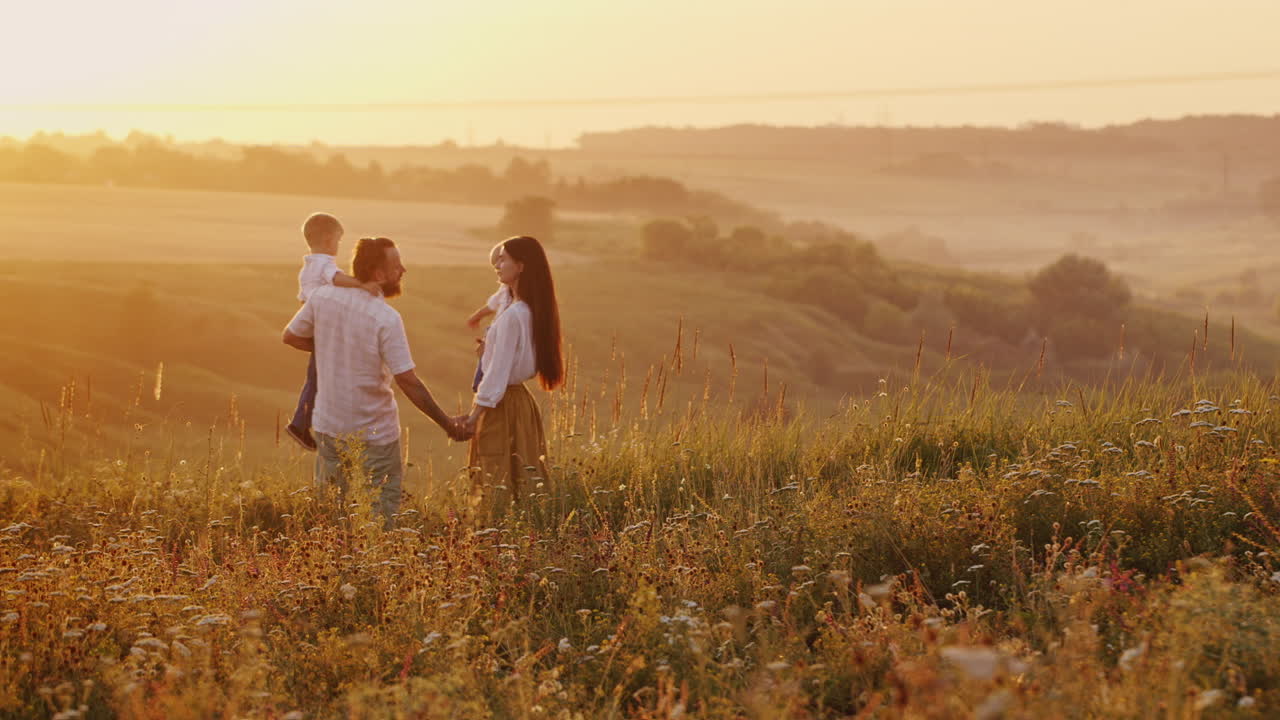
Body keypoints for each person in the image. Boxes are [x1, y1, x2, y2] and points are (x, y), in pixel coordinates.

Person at [283, 236, 469, 527]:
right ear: (379, 274)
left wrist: (332, 347)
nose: (403, 270)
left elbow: (291, 336)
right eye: (396, 266)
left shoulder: (322, 297)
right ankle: (375, 555)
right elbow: (408, 381)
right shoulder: (386, 318)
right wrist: (448, 424)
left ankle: (336, 554)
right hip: (375, 433)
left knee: (331, 514)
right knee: (380, 515)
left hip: (329, 426)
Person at [458, 236, 564, 511]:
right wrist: (488, 350)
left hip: (502, 406)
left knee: (496, 477)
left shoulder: (514, 315)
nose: (497, 264)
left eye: (503, 259)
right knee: (523, 479)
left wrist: (473, 418)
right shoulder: (525, 307)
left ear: (521, 266)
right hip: (519, 404)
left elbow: (497, 374)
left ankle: (496, 530)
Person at [285, 212, 381, 451]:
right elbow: (336, 279)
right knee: (322, 378)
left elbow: (304, 299)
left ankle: (304, 422)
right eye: (338, 240)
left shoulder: (307, 268)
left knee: (316, 378)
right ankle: (302, 424)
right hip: (323, 327)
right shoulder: (324, 264)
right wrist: (362, 284)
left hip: (314, 325)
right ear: (329, 240)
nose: (338, 245)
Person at [463, 242, 513, 392]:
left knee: (491, 369)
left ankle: (484, 390)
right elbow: (492, 305)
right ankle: (480, 389)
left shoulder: (516, 294)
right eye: (495, 266)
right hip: (494, 331)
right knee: (484, 368)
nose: (497, 268)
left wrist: (476, 317)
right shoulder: (504, 289)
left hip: (504, 333)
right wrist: (476, 317)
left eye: (501, 262)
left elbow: (492, 306)